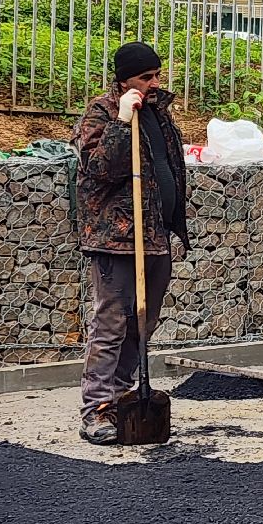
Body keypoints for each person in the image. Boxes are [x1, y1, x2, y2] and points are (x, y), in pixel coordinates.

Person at [73, 40, 189, 445]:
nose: (155, 83)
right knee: (111, 324)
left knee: (144, 324)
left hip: (156, 235)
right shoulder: (100, 113)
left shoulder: (159, 111)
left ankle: (123, 394)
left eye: (158, 74)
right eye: (146, 77)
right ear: (124, 80)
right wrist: (122, 122)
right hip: (116, 238)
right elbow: (99, 169)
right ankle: (97, 410)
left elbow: (168, 167)